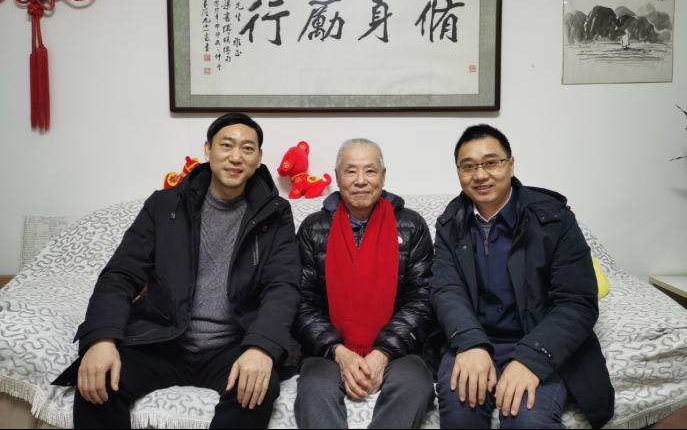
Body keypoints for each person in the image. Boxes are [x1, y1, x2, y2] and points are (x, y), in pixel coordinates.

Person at [53, 113, 301, 429]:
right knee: (98, 380)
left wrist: (261, 347)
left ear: (258, 158)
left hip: (232, 346)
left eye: (247, 148)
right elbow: (121, 275)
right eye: (226, 145)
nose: (236, 156)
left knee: (257, 388)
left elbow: (283, 285)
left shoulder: (274, 213)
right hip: (163, 341)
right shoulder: (164, 205)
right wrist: (101, 339)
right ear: (208, 149)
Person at [431, 124, 614, 429]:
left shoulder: (554, 219)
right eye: (468, 166)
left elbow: (577, 302)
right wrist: (470, 343)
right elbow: (446, 290)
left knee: (525, 418)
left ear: (511, 164)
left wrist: (532, 357)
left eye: (491, 162)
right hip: (476, 338)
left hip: (538, 337)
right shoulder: (450, 223)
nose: (480, 175)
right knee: (461, 410)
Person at [294, 138, 436, 429]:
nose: (361, 180)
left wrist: (382, 353)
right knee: (314, 390)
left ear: (383, 176)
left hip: (399, 352)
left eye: (370, 171)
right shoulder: (313, 228)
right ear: (337, 177)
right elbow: (302, 302)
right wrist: (339, 352)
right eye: (351, 171)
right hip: (329, 352)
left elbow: (422, 300)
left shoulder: (411, 226)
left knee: (415, 386)